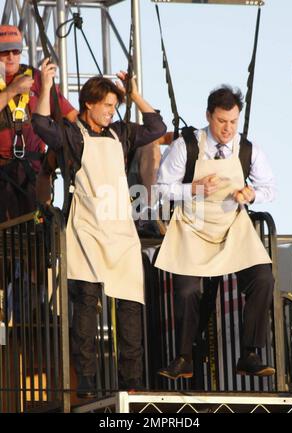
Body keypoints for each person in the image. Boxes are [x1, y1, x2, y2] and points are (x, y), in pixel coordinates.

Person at [32, 60, 167, 398]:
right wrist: (47, 87)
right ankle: (88, 381)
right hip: (87, 232)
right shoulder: (72, 136)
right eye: (107, 105)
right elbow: (40, 125)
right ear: (89, 104)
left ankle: (131, 382)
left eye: (115, 106)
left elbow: (156, 125)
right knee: (86, 307)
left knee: (130, 307)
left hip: (120, 232)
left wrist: (134, 95)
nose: (111, 112)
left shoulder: (120, 133)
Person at [155, 85, 276, 380]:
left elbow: (270, 188)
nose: (227, 128)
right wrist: (193, 188)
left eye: (233, 122)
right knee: (187, 291)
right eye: (222, 121)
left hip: (232, 228)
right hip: (192, 228)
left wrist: (251, 194)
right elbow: (160, 189)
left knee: (263, 278)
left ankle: (249, 352)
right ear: (209, 116)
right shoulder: (186, 145)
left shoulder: (247, 149)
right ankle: (183, 357)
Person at [0, 25, 77, 223]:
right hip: (1, 168)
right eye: (4, 52)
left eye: (15, 51)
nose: (11, 57)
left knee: (36, 228)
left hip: (33, 169)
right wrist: (11, 91)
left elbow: (69, 114)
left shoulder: (36, 78)